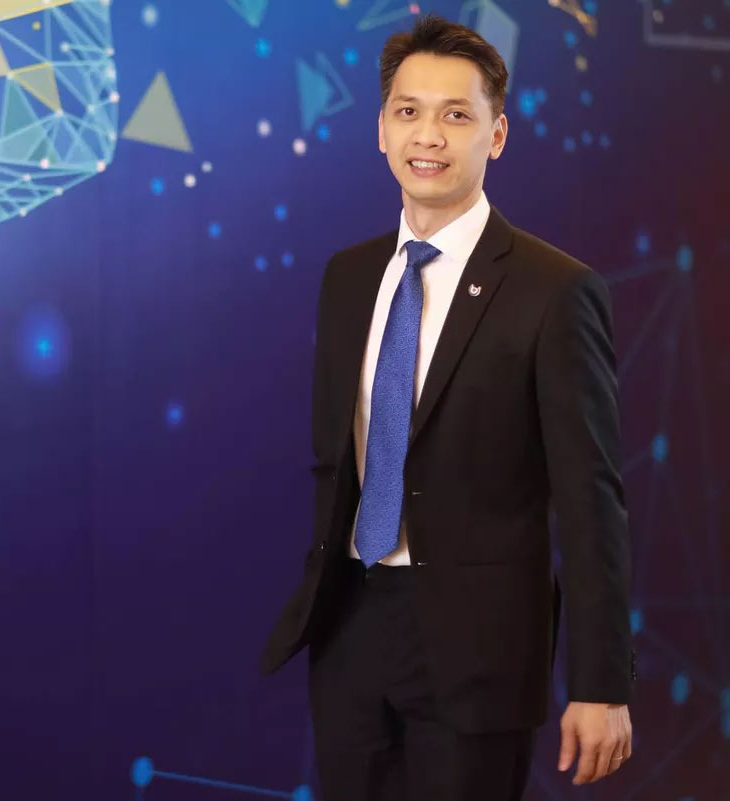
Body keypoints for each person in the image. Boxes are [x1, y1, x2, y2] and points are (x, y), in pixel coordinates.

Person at [259, 13, 637, 801]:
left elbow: (591, 499)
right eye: (408, 111)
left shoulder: (555, 291)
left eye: (456, 115)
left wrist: (601, 682)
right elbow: (339, 460)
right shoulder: (347, 277)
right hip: (350, 630)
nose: (427, 135)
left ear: (496, 135)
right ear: (381, 129)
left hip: (480, 653)